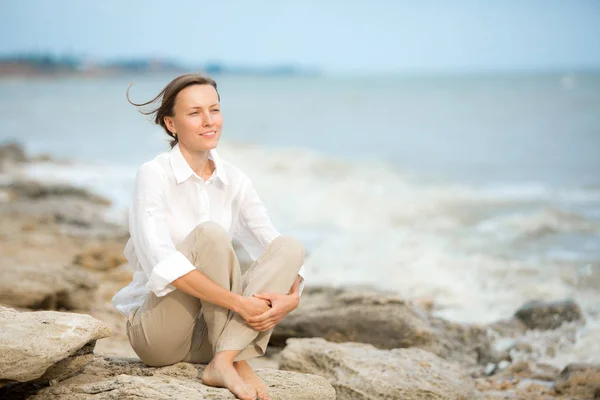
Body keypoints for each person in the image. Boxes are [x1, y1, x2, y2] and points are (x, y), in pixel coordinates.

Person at [111, 73, 306, 400]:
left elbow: (271, 245)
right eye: (194, 113)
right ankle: (235, 360)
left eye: (214, 110)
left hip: (213, 338)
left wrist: (293, 296)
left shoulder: (234, 179)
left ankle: (226, 359)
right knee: (210, 237)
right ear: (171, 125)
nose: (208, 121)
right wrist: (239, 303)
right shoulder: (153, 175)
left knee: (290, 246)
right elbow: (161, 262)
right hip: (161, 335)